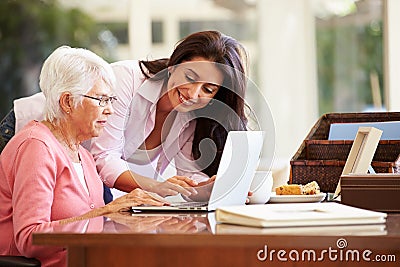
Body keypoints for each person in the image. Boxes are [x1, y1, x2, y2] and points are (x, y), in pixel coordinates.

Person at [0, 30, 249, 202]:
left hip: (71, 161)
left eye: (208, 89)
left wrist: (209, 187)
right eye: (190, 77)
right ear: (175, 63)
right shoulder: (125, 79)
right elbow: (105, 157)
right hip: (23, 134)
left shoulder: (191, 116)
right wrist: (156, 187)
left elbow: (187, 172)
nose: (193, 93)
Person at [0, 46, 166, 267]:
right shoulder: (36, 147)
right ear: (68, 102)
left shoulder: (84, 156)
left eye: (111, 100)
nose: (110, 110)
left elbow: (96, 224)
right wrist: (106, 211)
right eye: (101, 100)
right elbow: (30, 238)